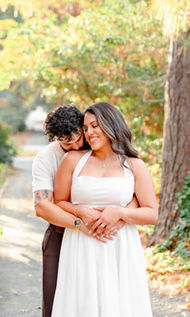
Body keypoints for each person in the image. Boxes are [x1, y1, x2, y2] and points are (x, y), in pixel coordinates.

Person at [51, 102, 158, 317]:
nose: (89, 132)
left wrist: (120, 213)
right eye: (86, 128)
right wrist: (81, 211)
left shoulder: (134, 165)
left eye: (94, 126)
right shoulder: (72, 160)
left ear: (111, 125)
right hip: (81, 245)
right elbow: (59, 202)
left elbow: (152, 213)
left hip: (119, 246)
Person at [32, 105, 131, 317]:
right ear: (55, 139)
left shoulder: (104, 146)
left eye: (80, 139)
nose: (76, 146)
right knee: (56, 301)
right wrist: (80, 223)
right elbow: (42, 205)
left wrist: (120, 218)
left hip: (107, 233)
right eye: (67, 144)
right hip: (61, 233)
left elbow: (134, 191)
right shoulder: (46, 158)